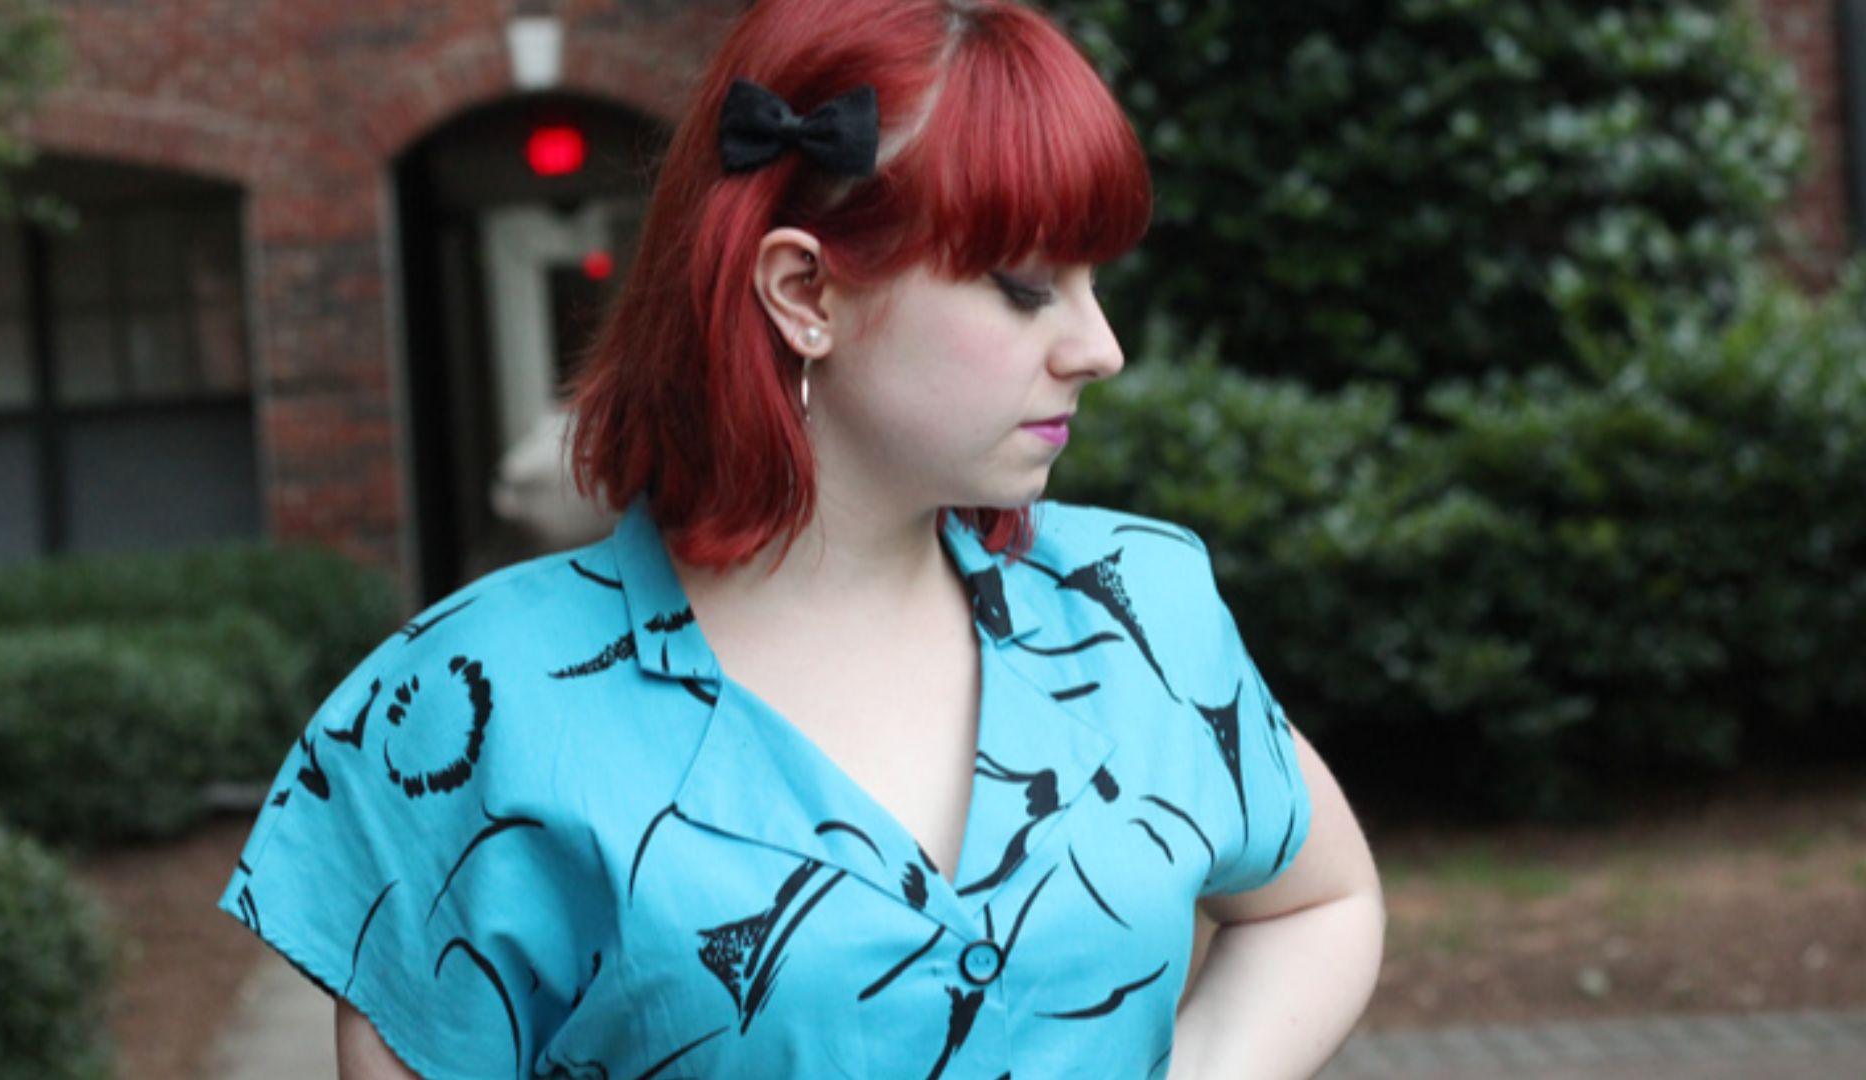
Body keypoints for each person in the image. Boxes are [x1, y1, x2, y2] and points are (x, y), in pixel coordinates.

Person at [218, 0, 1385, 1076]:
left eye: (1096, 280)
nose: (1100, 346)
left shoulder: (1137, 607)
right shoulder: (475, 708)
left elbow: (1317, 902)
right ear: (805, 294)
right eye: (1028, 284)